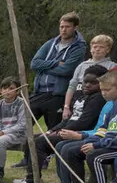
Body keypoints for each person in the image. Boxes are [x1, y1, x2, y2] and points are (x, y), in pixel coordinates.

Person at [8, 65, 108, 183]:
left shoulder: (98, 98)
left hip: (78, 134)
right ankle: (33, 178)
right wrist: (52, 130)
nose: (87, 85)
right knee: (32, 139)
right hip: (67, 129)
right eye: (85, 81)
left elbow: (85, 122)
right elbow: (69, 119)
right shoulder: (80, 95)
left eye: (93, 82)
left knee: (40, 143)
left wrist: (60, 132)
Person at [41, 68, 117, 183]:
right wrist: (81, 134)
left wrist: (81, 137)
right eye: (102, 90)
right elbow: (100, 129)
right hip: (100, 138)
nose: (103, 94)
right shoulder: (108, 104)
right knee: (61, 144)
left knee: (69, 148)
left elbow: (113, 133)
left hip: (111, 144)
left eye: (106, 90)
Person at [25, 12, 86, 162]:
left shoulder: (78, 47)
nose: (63, 30)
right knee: (26, 122)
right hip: (40, 91)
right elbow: (34, 63)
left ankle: (45, 158)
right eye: (61, 27)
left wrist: (44, 66)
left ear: (75, 27)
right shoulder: (51, 43)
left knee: (53, 128)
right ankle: (28, 157)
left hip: (57, 93)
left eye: (67, 27)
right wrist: (55, 63)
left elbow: (67, 70)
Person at [63, 34, 114, 121]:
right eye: (95, 47)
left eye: (101, 47)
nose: (97, 49)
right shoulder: (81, 66)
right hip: (77, 105)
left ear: (108, 50)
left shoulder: (112, 66)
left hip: (97, 107)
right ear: (90, 49)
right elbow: (72, 86)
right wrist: (66, 106)